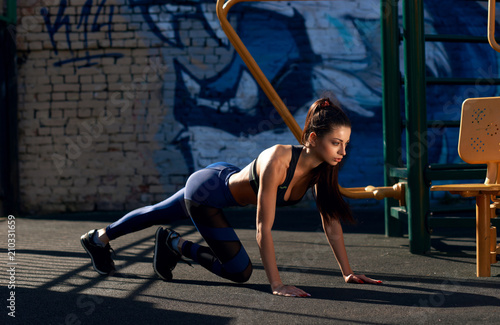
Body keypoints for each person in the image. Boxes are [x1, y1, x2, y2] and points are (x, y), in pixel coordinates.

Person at [80, 97, 382, 297]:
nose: (343, 152)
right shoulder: (278, 159)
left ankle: (102, 238)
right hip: (208, 191)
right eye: (336, 143)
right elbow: (263, 228)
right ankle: (168, 243)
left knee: (160, 212)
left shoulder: (322, 170)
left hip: (223, 175)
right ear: (314, 139)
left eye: (346, 144)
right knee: (241, 271)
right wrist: (276, 284)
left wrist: (348, 273)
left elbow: (330, 224)